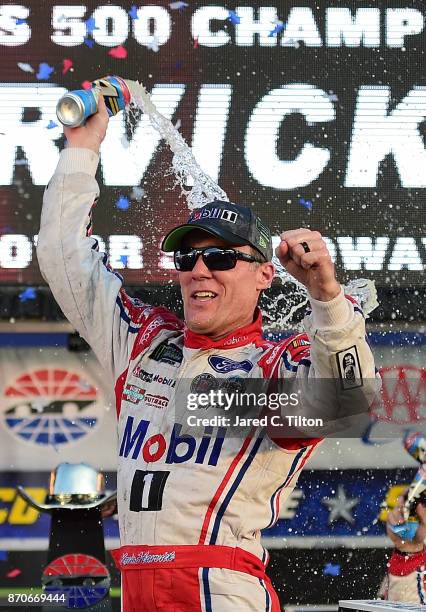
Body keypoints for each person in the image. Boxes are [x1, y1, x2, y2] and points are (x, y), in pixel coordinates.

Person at [37, 95, 377, 612]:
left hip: (219, 586)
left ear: (266, 274)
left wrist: (327, 298)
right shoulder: (144, 340)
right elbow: (64, 259)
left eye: (219, 256)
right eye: (188, 256)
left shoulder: (277, 364)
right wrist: (82, 149)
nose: (199, 269)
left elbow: (347, 401)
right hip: (134, 587)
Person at [380, 494, 426, 602]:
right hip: (398, 562)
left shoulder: (419, 520)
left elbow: (416, 538)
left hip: (416, 565)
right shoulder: (395, 518)